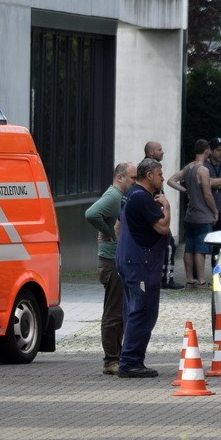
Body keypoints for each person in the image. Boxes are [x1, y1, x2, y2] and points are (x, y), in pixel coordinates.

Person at [115, 157, 172, 378]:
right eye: (159, 174)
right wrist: (166, 207)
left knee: (131, 310)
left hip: (128, 260)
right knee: (142, 312)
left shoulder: (128, 195)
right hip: (141, 264)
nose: (163, 178)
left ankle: (129, 359)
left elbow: (118, 227)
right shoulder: (143, 199)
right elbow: (163, 227)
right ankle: (130, 362)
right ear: (149, 175)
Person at [85, 161, 136, 375]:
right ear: (120, 177)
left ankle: (117, 355)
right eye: (132, 178)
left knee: (119, 311)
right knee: (113, 312)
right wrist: (108, 232)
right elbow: (91, 213)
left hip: (116, 260)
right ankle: (110, 360)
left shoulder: (120, 196)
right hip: (111, 261)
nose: (134, 182)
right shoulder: (113, 196)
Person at [168, 139, 218, 286]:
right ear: (207, 150)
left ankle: (189, 278)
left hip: (190, 215)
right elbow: (207, 194)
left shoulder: (188, 167)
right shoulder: (203, 170)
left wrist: (186, 191)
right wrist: (215, 211)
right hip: (203, 215)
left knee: (189, 247)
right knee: (200, 249)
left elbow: (171, 180)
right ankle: (201, 280)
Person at [143, 140, 185, 290]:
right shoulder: (150, 168)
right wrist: (160, 209)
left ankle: (158, 276)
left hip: (155, 214)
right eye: (159, 149)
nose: (163, 152)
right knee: (169, 246)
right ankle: (166, 278)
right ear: (151, 152)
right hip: (157, 215)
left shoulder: (147, 167)